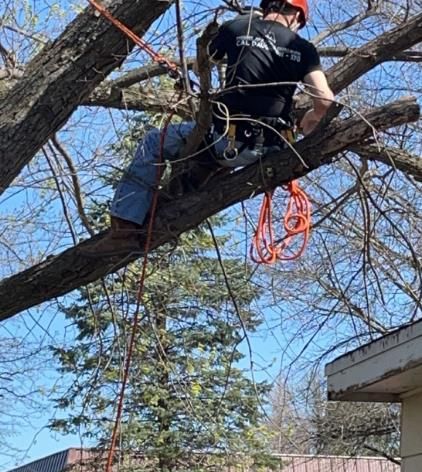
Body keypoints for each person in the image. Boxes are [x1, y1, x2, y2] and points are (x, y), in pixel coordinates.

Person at [83, 0, 334, 257]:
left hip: (226, 140)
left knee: (153, 142)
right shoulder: (303, 48)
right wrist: (311, 120)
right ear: (297, 18)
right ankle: (181, 194)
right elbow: (325, 101)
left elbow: (203, 64)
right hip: (273, 147)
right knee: (201, 164)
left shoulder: (237, 27)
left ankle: (125, 229)